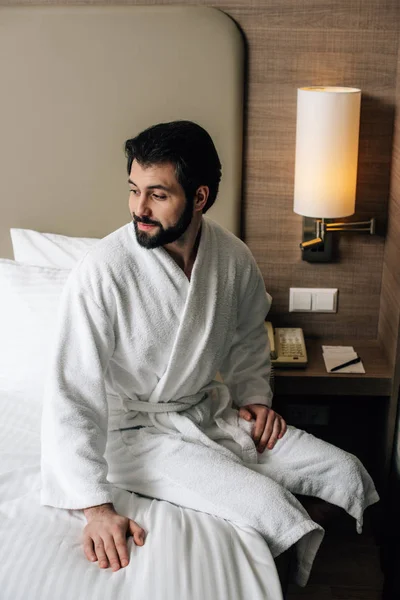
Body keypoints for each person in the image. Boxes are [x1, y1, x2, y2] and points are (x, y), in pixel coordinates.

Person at [40, 121, 379, 586]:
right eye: (134, 190)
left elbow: (247, 336)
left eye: (157, 195)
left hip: (208, 409)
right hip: (135, 433)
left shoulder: (232, 257)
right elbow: (71, 391)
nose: (139, 207)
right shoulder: (101, 272)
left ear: (199, 198)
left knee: (346, 472)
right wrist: (95, 507)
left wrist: (255, 397)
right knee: (270, 506)